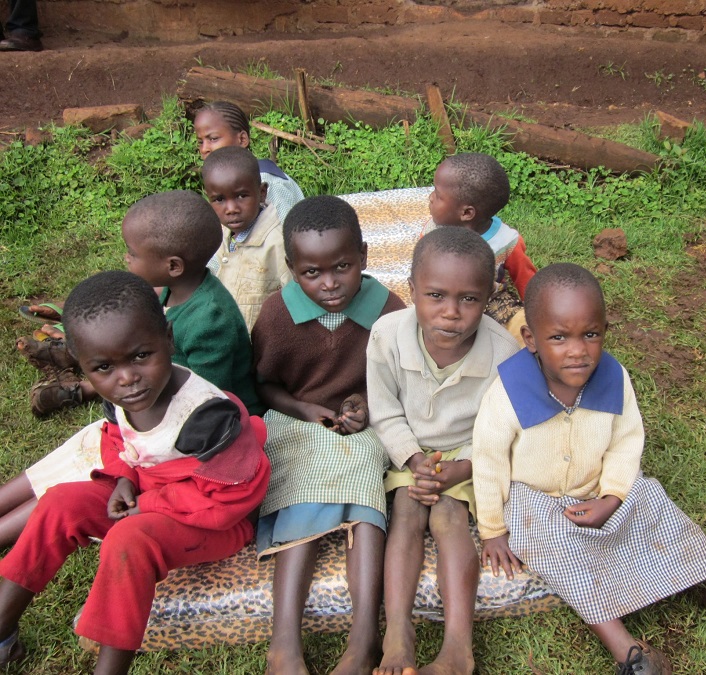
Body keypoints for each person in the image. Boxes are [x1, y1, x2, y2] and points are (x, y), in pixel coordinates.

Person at [472, 263, 706, 675]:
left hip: (600, 485)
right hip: (540, 498)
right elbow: (489, 461)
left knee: (654, 503)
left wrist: (614, 495)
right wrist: (492, 530)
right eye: (558, 337)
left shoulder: (614, 377)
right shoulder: (507, 393)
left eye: (590, 334)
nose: (577, 350)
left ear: (605, 329)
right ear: (530, 339)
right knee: (552, 545)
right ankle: (627, 649)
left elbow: (625, 443)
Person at [0, 271, 271, 674]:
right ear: (83, 367)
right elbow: (116, 440)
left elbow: (233, 496)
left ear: (168, 338)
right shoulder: (121, 398)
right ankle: (3, 627)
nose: (126, 377)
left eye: (141, 356)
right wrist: (123, 477)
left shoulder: (206, 415)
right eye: (104, 367)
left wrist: (148, 504)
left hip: (214, 521)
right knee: (60, 502)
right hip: (145, 496)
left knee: (128, 540)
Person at [0, 191, 263, 547]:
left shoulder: (209, 319)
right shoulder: (168, 293)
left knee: (80, 473)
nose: (126, 258)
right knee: (82, 446)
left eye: (132, 253)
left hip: (189, 438)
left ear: (172, 266)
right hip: (148, 408)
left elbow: (204, 400)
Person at [251, 195, 405, 675]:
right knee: (301, 485)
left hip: (365, 425)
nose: (330, 283)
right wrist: (302, 407)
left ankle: (363, 640)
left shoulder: (388, 310)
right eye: (311, 273)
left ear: (363, 254)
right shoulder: (278, 315)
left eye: (342, 266)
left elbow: (398, 383)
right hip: (296, 419)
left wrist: (365, 406)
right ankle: (285, 644)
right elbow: (265, 385)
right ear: (293, 269)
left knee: (364, 489)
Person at [367, 227, 519, 675]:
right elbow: (384, 410)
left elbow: (502, 428)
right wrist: (412, 459)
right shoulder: (386, 335)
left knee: (450, 517)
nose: (451, 313)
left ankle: (458, 648)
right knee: (407, 513)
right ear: (410, 290)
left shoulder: (504, 354)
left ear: (490, 295)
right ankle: (398, 632)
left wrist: (464, 465)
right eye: (435, 295)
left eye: (469, 299)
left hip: (473, 451)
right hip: (409, 451)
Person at [422, 152, 536, 335]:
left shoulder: (506, 241)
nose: (430, 197)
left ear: (466, 213)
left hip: (491, 302)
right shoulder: (433, 232)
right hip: (444, 300)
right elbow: (422, 267)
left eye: (438, 194)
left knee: (523, 328)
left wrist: (539, 313)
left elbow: (528, 281)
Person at [203, 145, 291, 330]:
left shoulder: (278, 244)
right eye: (219, 200)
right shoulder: (217, 234)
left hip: (259, 346)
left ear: (262, 193)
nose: (231, 209)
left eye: (241, 196)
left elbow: (296, 298)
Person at [193, 101, 304, 221]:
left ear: (242, 139)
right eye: (200, 142)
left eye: (213, 139)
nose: (204, 149)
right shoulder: (223, 183)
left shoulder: (270, 184)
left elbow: (285, 236)